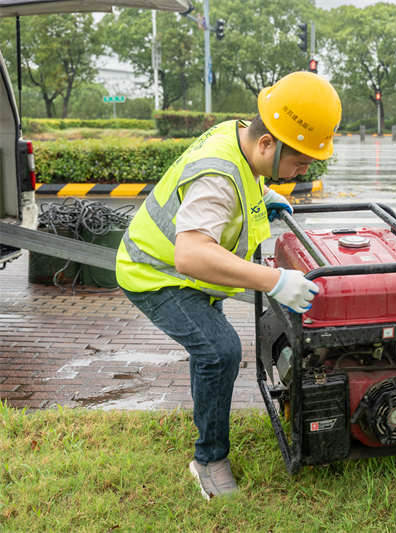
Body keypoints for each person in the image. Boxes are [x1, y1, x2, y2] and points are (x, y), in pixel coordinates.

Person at [115, 72, 342, 500]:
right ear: (267, 145)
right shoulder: (217, 175)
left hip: (184, 275)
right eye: (300, 162)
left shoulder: (238, 137)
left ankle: (208, 422)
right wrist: (274, 281)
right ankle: (209, 459)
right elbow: (192, 255)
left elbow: (241, 179)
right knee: (220, 350)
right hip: (156, 274)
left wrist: (262, 193)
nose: (301, 171)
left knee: (210, 350)